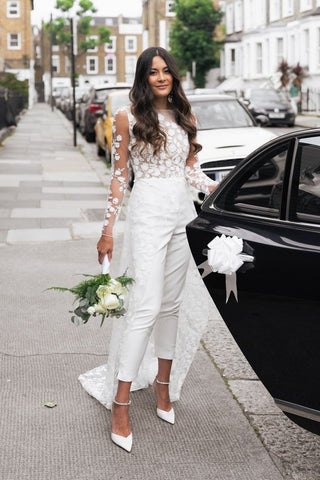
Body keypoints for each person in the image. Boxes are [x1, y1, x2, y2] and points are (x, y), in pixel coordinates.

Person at [79, 46, 218, 453]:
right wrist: (108, 229)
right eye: (153, 72)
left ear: (174, 76)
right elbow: (120, 176)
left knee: (171, 304)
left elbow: (191, 171)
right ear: (144, 77)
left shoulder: (186, 117)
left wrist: (219, 190)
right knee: (145, 306)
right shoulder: (128, 117)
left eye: (166, 71)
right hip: (147, 216)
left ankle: (163, 385)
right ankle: (120, 402)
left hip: (181, 215)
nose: (161, 78)